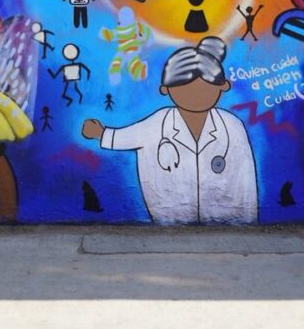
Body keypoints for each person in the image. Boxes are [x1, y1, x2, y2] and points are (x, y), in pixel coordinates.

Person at [81, 37, 257, 224]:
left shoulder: (231, 126)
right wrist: (101, 133)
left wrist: (248, 218)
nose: (195, 96)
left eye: (205, 87)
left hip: (224, 219)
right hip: (168, 219)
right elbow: (127, 137)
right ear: (166, 89)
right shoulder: (158, 123)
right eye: (186, 89)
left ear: (223, 86)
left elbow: (245, 178)